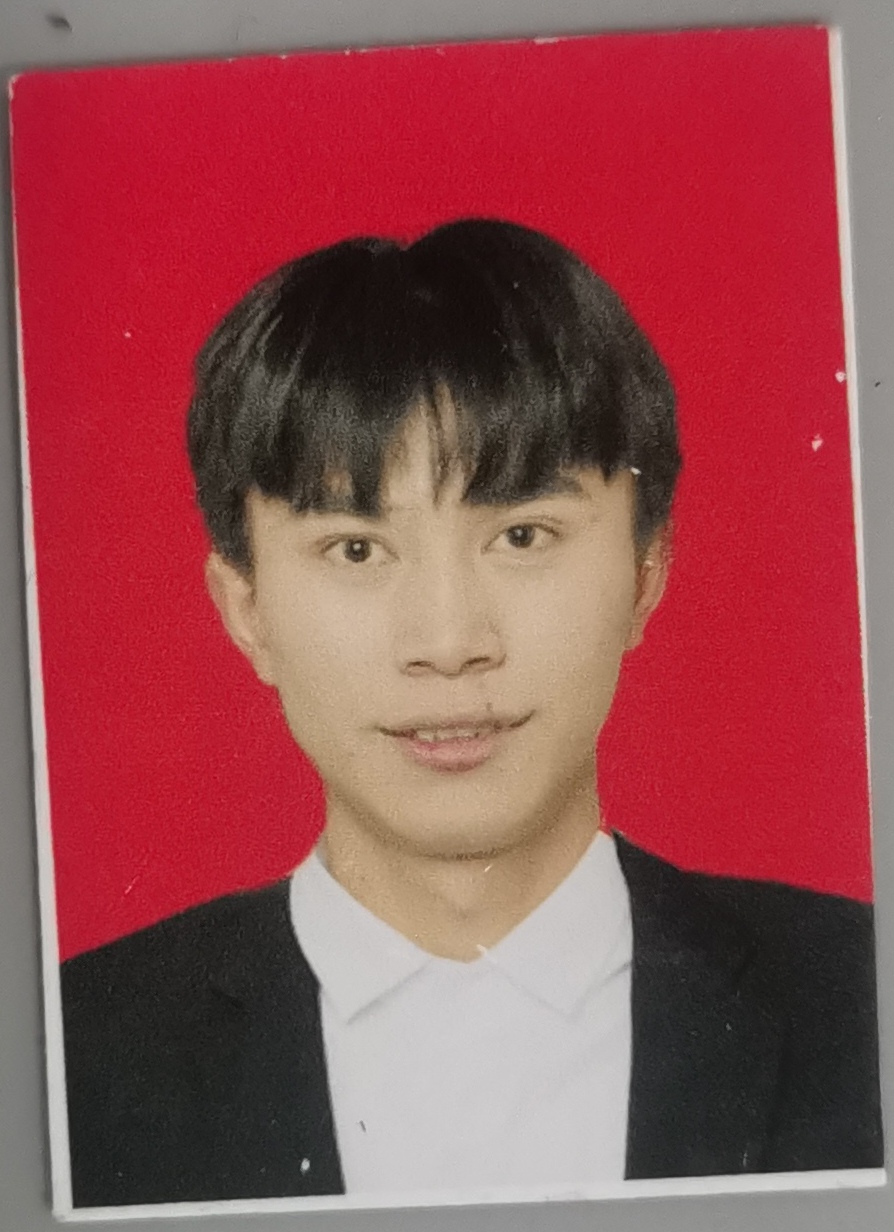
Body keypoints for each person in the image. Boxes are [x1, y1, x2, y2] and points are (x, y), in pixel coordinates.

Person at [61, 219, 882, 1208]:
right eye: (357, 549)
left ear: (644, 571)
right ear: (247, 609)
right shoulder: (70, 1057)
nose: (449, 642)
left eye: (523, 535)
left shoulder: (862, 998)